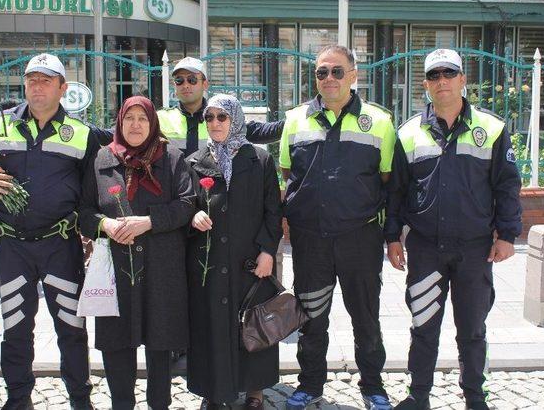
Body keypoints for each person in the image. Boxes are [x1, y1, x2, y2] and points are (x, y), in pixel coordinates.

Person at [0, 53, 112, 410]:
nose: (37, 87)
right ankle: (18, 400)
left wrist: (94, 231)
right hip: (11, 246)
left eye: (46, 80)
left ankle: (80, 400)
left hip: (60, 245)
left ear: (62, 88)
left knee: (71, 329)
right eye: (32, 79)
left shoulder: (81, 133)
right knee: (15, 328)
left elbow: (95, 187)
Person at [385, 49, 522, 410]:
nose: (441, 81)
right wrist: (392, 237)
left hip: (475, 249)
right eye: (434, 75)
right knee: (423, 325)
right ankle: (419, 395)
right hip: (426, 247)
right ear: (426, 84)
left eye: (449, 73)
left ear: (463, 80)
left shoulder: (491, 130)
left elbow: (507, 185)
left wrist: (507, 235)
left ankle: (476, 397)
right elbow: (396, 191)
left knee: (473, 330)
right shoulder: (409, 132)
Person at [278, 45, 395, 410]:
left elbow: (389, 182)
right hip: (310, 240)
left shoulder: (379, 121)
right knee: (312, 318)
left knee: (366, 317)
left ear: (354, 75)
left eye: (337, 71)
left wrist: (391, 238)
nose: (329, 78)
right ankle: (310, 384)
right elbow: (287, 175)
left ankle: (373, 386)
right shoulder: (295, 119)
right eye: (321, 72)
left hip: (360, 238)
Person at [80, 95, 195, 409]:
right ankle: (122, 404)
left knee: (160, 346)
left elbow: (186, 205)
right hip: (117, 269)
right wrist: (106, 224)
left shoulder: (171, 158)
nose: (135, 125)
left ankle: (159, 403)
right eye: (129, 118)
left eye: (142, 118)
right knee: (117, 344)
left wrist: (148, 222)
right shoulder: (103, 159)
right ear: (119, 122)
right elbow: (85, 212)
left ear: (152, 123)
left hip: (162, 267)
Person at [185, 94, 283, 410]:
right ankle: (214, 391)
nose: (214, 123)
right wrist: (192, 217)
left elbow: (273, 210)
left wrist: (269, 251)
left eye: (221, 117)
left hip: (251, 262)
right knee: (212, 325)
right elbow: (185, 205)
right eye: (209, 118)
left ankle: (255, 390)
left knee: (253, 325)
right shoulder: (194, 161)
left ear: (235, 119)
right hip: (209, 263)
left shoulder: (260, 160)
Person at [157, 56, 284, 155]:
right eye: (179, 80)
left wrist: (292, 120)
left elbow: (260, 132)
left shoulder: (222, 116)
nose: (185, 85)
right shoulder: (160, 119)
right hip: (176, 188)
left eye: (192, 80)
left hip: (212, 187)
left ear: (205, 84)